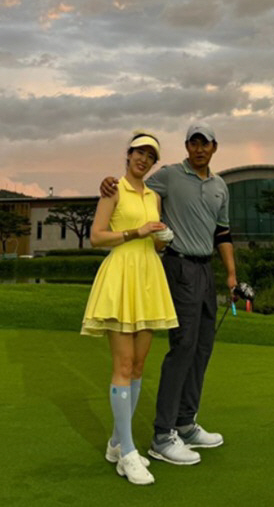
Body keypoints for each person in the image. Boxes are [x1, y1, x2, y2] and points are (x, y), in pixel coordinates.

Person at [100, 122, 237, 466]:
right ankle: (163, 434)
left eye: (205, 143)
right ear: (187, 146)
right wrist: (107, 183)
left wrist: (231, 275)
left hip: (206, 270)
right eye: (194, 143)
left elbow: (223, 233)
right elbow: (132, 188)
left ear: (215, 147)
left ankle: (186, 422)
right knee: (184, 346)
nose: (199, 149)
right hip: (179, 266)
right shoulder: (170, 176)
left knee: (203, 347)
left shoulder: (220, 186)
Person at [82, 132, 178, 485]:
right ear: (129, 154)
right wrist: (136, 232)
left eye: (150, 156)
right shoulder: (113, 189)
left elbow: (153, 242)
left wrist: (161, 239)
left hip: (149, 277)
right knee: (123, 365)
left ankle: (116, 442)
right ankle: (128, 453)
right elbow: (97, 237)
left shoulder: (154, 196)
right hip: (121, 276)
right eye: (139, 152)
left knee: (138, 366)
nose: (143, 159)